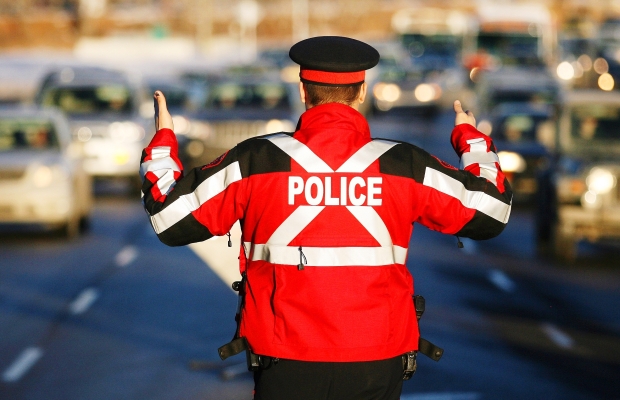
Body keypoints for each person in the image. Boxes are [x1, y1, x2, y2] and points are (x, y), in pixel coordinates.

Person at [140, 36, 512, 400]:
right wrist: (473, 142)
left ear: (303, 92)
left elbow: (170, 218)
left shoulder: (255, 161)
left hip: (284, 361)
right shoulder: (404, 165)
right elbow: (491, 211)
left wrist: (163, 142)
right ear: (362, 92)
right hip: (377, 361)